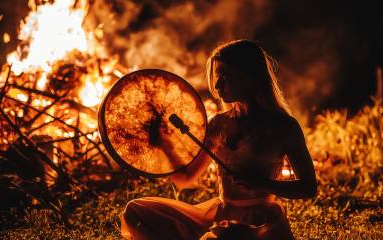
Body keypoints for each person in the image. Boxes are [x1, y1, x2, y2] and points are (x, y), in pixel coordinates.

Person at [121, 39, 318, 240]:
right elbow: (185, 178)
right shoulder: (217, 124)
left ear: (251, 77)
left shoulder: (283, 126)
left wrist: (264, 184)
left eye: (225, 76)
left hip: (260, 222)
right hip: (220, 215)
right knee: (136, 210)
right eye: (216, 77)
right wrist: (165, 143)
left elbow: (309, 187)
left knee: (226, 237)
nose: (217, 85)